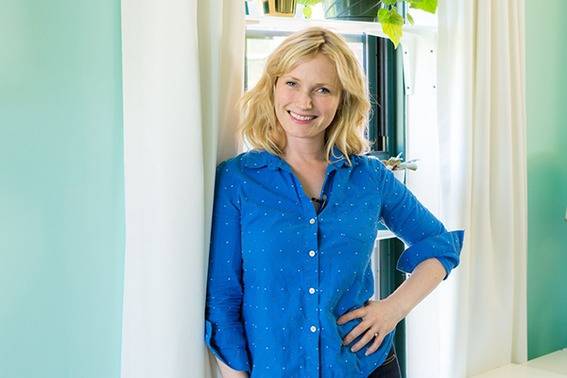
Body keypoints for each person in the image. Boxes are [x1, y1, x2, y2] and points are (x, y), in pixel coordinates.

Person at [204, 26, 464, 378]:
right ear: (273, 87)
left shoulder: (370, 178)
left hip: (364, 367)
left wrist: (392, 309)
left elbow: (439, 245)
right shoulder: (238, 180)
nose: (304, 102)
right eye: (292, 83)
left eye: (322, 89)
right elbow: (222, 299)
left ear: (343, 98)